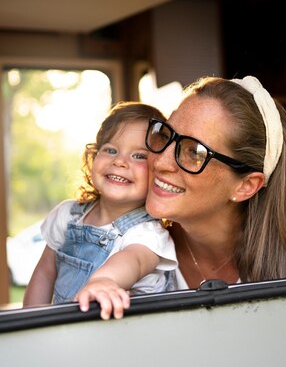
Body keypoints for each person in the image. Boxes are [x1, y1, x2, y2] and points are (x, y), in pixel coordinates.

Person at [81, 76, 286, 301]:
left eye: (193, 152)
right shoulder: (126, 247)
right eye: (165, 135)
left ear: (246, 186)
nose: (160, 162)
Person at [23, 102, 177, 319]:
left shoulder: (147, 233)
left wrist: (106, 281)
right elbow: (45, 273)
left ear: (158, 170)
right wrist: (30, 322)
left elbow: (134, 260)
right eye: (111, 150)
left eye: (139, 156)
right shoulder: (68, 215)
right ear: (93, 157)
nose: (120, 161)